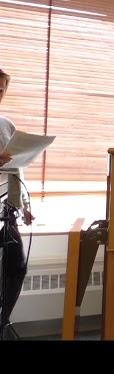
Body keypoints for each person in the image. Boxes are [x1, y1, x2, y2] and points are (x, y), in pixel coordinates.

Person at [0, 68, 32, 336]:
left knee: (16, 267)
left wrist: (24, 204)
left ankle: (2, 320)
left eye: (2, 89)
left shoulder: (6, 124)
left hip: (5, 211)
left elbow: (16, 168)